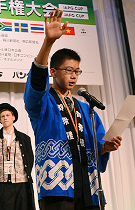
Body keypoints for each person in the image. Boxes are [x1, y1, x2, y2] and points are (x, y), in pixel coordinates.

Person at [23, 9, 122, 210]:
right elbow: (36, 84)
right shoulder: (43, 104)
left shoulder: (86, 108)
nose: (74, 76)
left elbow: (98, 142)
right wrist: (48, 43)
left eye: (77, 71)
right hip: (57, 184)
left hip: (87, 184)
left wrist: (105, 147)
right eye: (68, 70)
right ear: (53, 72)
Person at [0, 103, 36, 210]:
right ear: (0, 120)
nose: (5, 118)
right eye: (2, 116)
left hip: (21, 182)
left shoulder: (24, 138)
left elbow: (30, 159)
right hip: (2, 183)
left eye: (7, 115)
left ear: (13, 117)